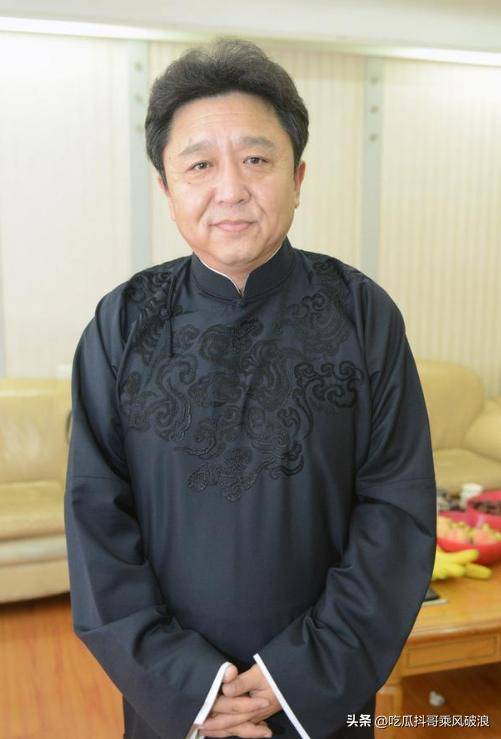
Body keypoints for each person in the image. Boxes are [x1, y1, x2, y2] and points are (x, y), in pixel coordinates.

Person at [64, 37, 437, 739]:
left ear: (298, 177)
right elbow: (96, 523)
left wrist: (300, 674)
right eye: (200, 164)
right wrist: (189, 684)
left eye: (257, 160)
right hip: (177, 704)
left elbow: (396, 508)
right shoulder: (122, 323)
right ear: (167, 188)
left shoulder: (362, 314)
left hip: (320, 692)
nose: (230, 188)